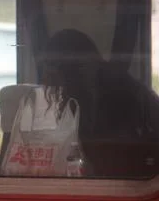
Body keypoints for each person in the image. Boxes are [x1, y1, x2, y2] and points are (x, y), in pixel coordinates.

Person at [39, 29, 159, 177]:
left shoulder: (126, 94)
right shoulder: (79, 96)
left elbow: (113, 157)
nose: (51, 84)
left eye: (54, 71)